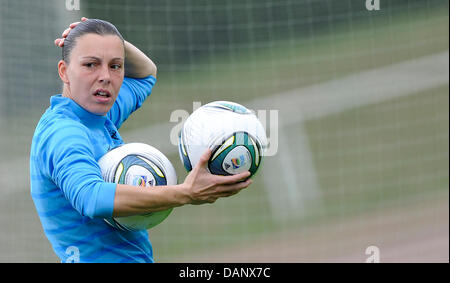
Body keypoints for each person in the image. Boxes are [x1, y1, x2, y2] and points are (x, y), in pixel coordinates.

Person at [30, 18, 252, 263]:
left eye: (115, 66)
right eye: (91, 64)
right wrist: (186, 193)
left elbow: (146, 74)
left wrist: (111, 40)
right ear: (64, 71)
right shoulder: (64, 132)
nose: (105, 76)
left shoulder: (98, 115)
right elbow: (91, 198)